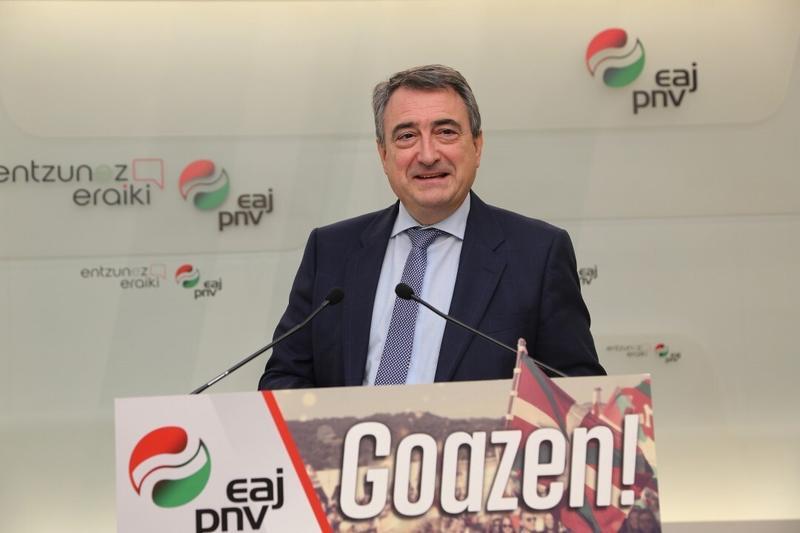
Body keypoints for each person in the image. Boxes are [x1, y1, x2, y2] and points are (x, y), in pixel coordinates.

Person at [259, 64, 604, 390]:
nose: (427, 155)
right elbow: (284, 377)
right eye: (407, 136)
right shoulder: (330, 250)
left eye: (446, 132)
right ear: (383, 155)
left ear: (477, 146)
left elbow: (576, 387)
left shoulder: (538, 254)